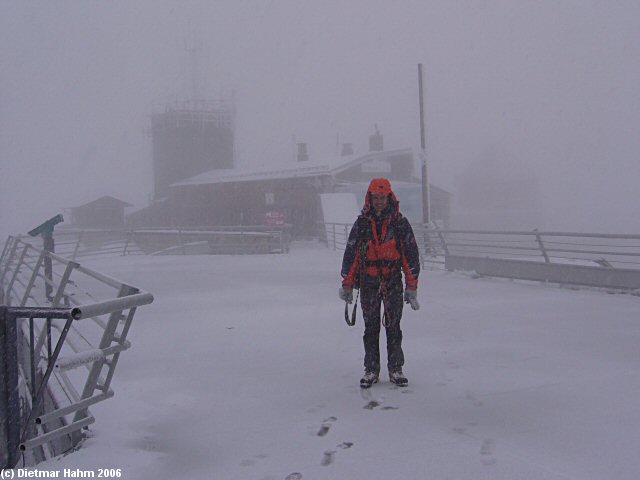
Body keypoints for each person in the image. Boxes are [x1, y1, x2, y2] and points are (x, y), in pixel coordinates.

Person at [339, 178, 421, 388]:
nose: (379, 202)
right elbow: (352, 255)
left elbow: (410, 256)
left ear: (389, 197)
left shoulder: (400, 223)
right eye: (375, 197)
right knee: (371, 327)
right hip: (368, 282)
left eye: (382, 198)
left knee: (394, 326)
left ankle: (395, 368)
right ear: (370, 198)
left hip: (392, 280)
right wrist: (347, 284)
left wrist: (412, 287)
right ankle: (371, 369)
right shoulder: (362, 224)